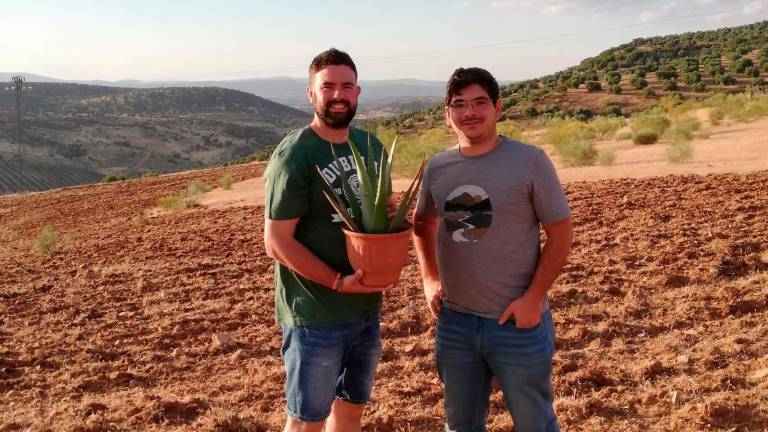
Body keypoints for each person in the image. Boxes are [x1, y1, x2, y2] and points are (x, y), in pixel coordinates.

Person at [413, 67, 573, 432]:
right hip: (454, 323)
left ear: (498, 108)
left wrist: (534, 298)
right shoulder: (438, 168)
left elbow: (561, 234)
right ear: (447, 114)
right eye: (459, 104)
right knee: (461, 424)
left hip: (518, 322)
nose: (469, 112)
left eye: (480, 102)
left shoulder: (529, 160)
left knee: (535, 423)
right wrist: (429, 278)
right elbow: (422, 224)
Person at [263, 48, 394, 432]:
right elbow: (276, 241)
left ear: (358, 92)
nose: (339, 95)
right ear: (311, 93)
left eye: (347, 86)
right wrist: (338, 282)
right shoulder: (296, 154)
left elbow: (385, 215)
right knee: (307, 422)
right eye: (328, 86)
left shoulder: (371, 146)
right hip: (315, 316)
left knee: (351, 412)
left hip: (366, 310)